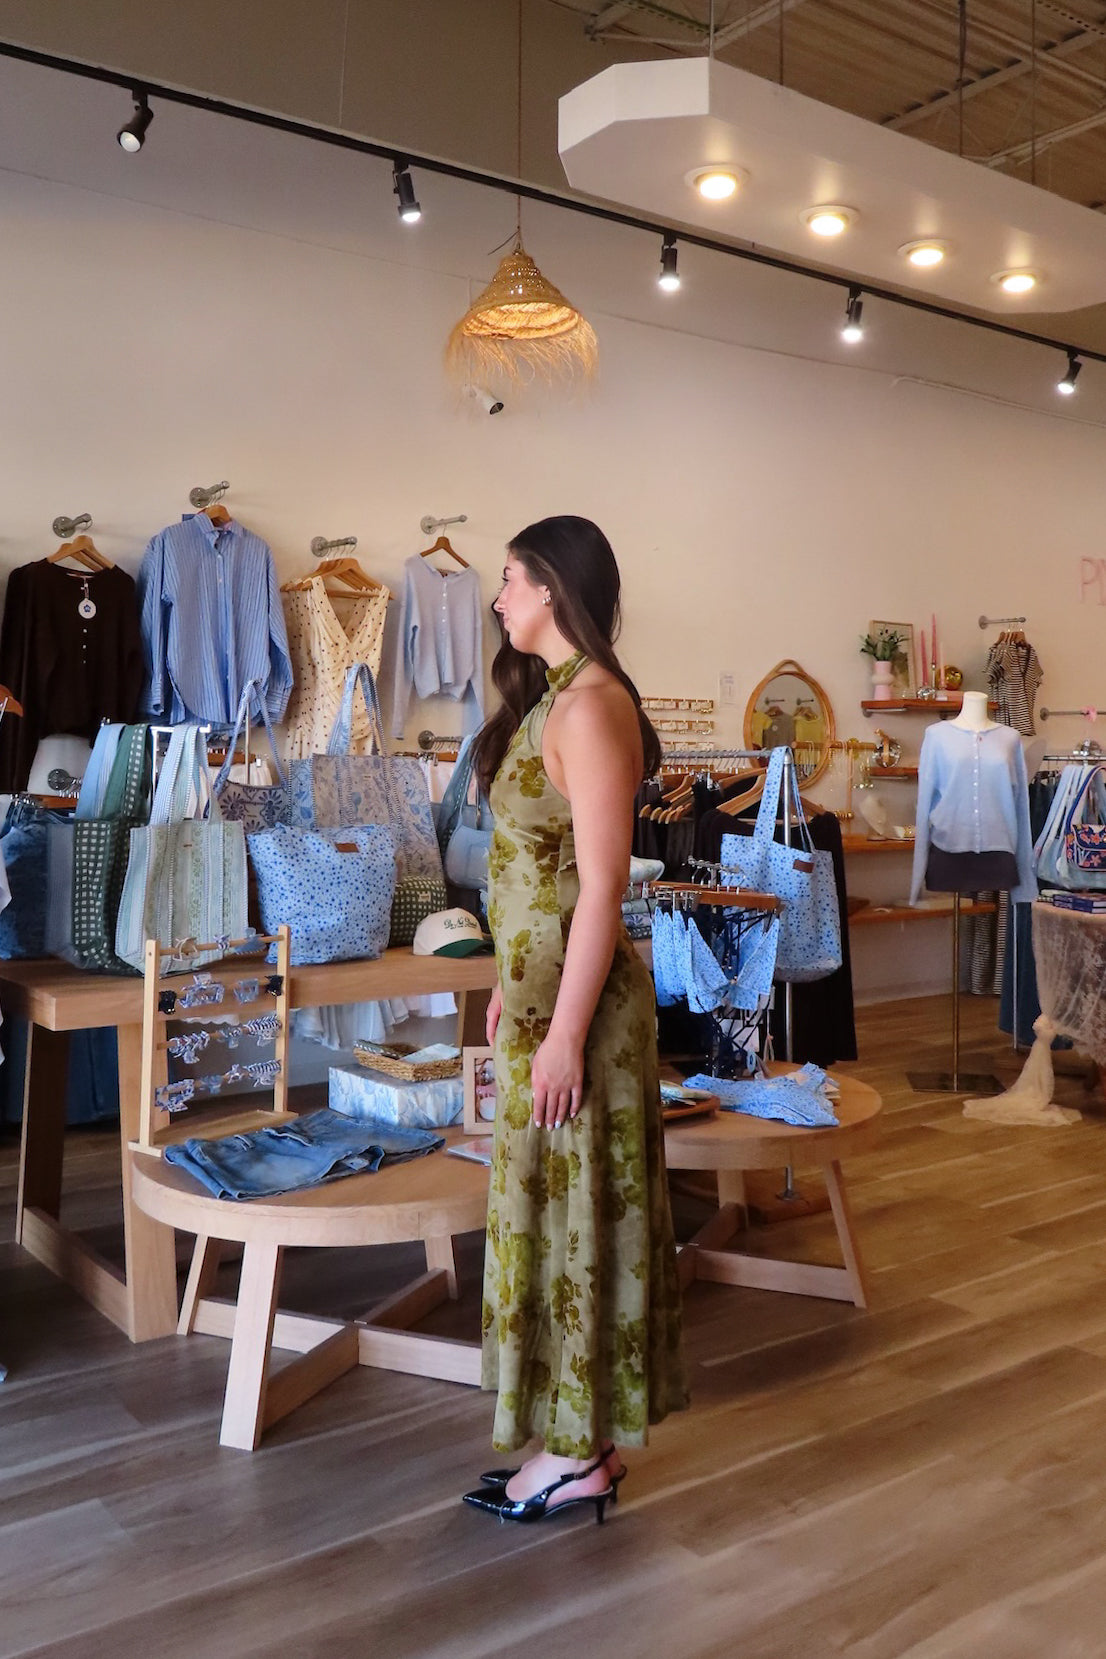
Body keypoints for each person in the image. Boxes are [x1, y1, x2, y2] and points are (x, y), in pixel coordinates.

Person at [463, 514, 687, 1527]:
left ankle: (575, 1453)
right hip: (546, 1003)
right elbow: (535, 875)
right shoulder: (556, 697)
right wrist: (512, 983)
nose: (499, 596)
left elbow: (602, 889)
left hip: (581, 1019)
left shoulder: (591, 707)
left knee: (577, 1220)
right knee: (551, 1215)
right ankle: (573, 1438)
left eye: (510, 578)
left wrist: (560, 1033)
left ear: (552, 586)